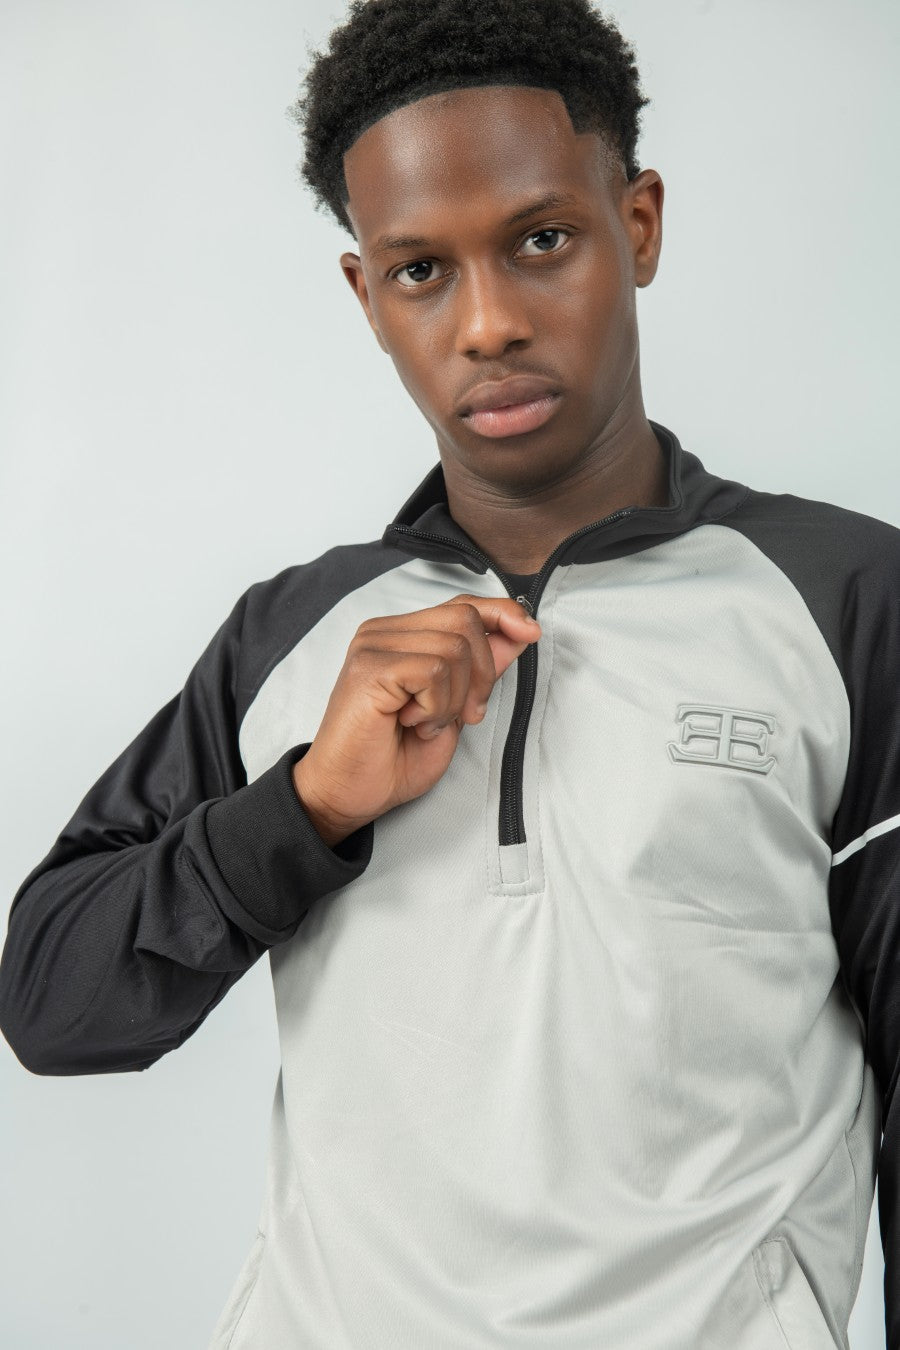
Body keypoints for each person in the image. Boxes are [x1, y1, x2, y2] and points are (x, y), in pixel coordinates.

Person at [1, 0, 896, 1344]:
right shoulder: (292, 636)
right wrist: (300, 808)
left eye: (541, 240)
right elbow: (51, 1001)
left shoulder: (845, 600)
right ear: (367, 296)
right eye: (421, 270)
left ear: (637, 224)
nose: (486, 323)